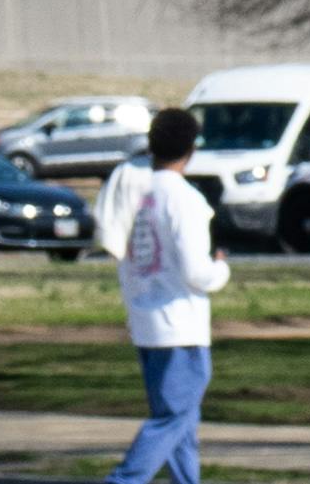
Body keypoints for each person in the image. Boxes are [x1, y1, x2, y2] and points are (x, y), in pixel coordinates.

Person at [92, 107, 225, 484]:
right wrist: (221, 269)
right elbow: (195, 272)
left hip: (145, 321)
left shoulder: (137, 193)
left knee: (183, 427)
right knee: (173, 418)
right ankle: (123, 481)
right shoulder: (185, 199)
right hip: (180, 326)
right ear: (191, 149)